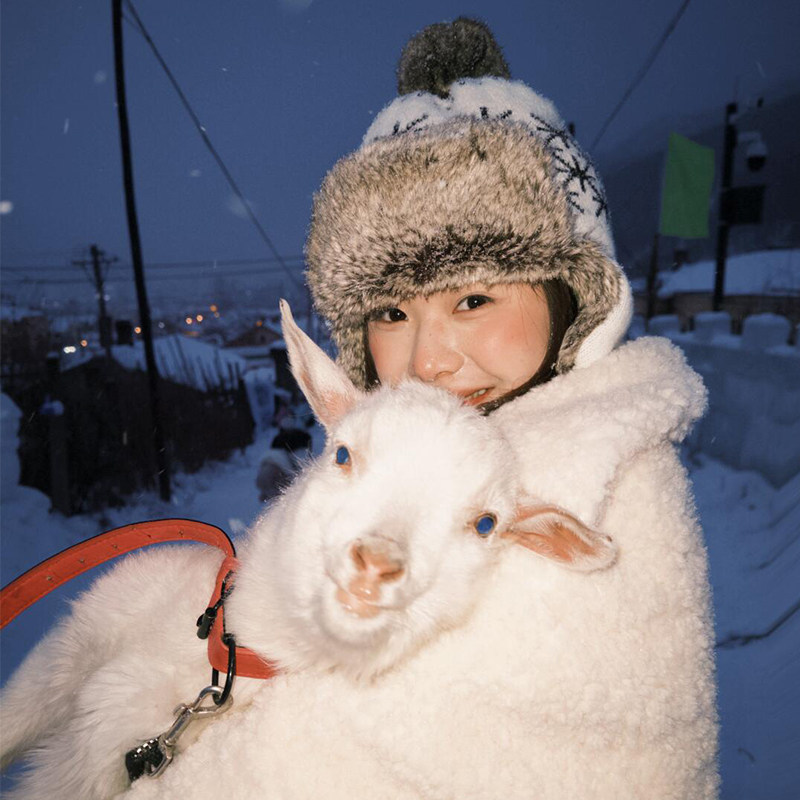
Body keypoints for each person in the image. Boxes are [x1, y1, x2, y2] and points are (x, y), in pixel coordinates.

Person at [301, 17, 719, 798]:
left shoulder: (605, 479)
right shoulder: (396, 452)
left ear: (573, 300)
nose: (428, 359)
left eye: (473, 298)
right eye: (389, 313)